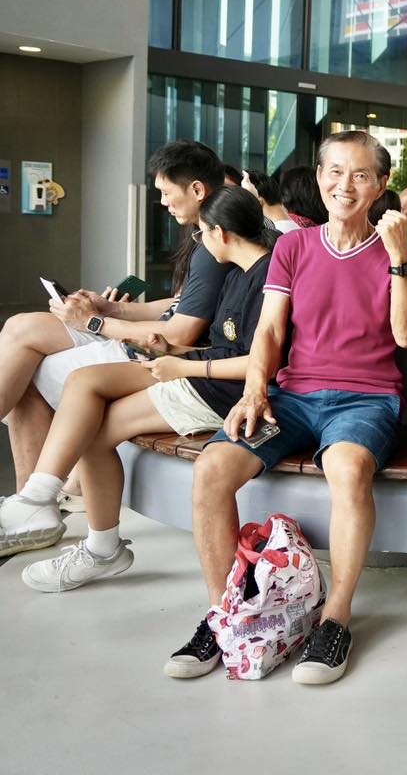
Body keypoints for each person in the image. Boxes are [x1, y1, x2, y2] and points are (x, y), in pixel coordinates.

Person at [166, 130, 407, 685]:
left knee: (347, 466)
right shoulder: (294, 247)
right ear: (320, 176)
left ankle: (335, 619)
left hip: (366, 396)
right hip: (292, 395)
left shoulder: (398, 253)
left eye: (360, 175)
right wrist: (255, 391)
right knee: (212, 468)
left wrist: (401, 259)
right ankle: (226, 614)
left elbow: (406, 336)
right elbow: (270, 330)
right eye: (334, 171)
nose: (345, 184)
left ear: (380, 186)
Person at [4, 187, 276, 591]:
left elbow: (260, 363)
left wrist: (180, 363)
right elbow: (218, 340)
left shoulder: (267, 279)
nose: (199, 243)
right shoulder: (237, 273)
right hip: (197, 369)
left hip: (218, 390)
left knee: (92, 418)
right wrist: (173, 348)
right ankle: (51, 507)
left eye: (201, 234)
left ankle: (81, 533)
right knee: (87, 400)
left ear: (221, 232)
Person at [0, 141, 231, 556]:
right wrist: (106, 307)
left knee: (28, 371)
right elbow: (178, 304)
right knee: (19, 329)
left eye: (165, 192)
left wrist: (94, 322)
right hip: (148, 337)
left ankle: (34, 506)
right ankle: (33, 505)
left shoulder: (219, 240)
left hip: (159, 353)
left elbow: (178, 333)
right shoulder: (203, 236)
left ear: (197, 189)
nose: (161, 203)